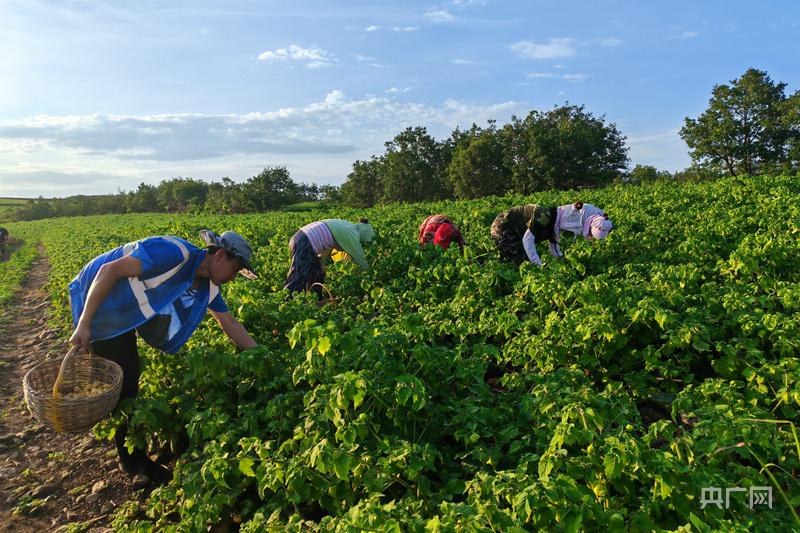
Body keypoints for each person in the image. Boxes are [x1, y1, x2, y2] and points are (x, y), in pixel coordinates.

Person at [68, 230, 259, 486]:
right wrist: (84, 324)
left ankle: (136, 448)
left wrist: (260, 354)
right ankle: (133, 462)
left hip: (126, 308)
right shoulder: (172, 253)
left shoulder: (208, 284)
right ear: (220, 255)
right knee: (125, 381)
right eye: (235, 270)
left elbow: (229, 322)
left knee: (129, 375)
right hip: (101, 298)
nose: (233, 278)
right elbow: (108, 272)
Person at [491, 201, 613, 265]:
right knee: (520, 262)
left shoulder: (554, 225)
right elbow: (527, 240)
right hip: (503, 226)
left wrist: (562, 262)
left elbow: (555, 249)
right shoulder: (544, 216)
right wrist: (538, 264)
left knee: (524, 259)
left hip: (516, 230)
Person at [285, 218, 374, 299]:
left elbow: (327, 244)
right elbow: (359, 256)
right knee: (300, 276)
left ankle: (316, 299)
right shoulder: (351, 233)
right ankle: (287, 300)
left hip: (301, 237)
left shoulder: (346, 226)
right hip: (304, 242)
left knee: (317, 273)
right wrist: (368, 272)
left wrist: (321, 263)